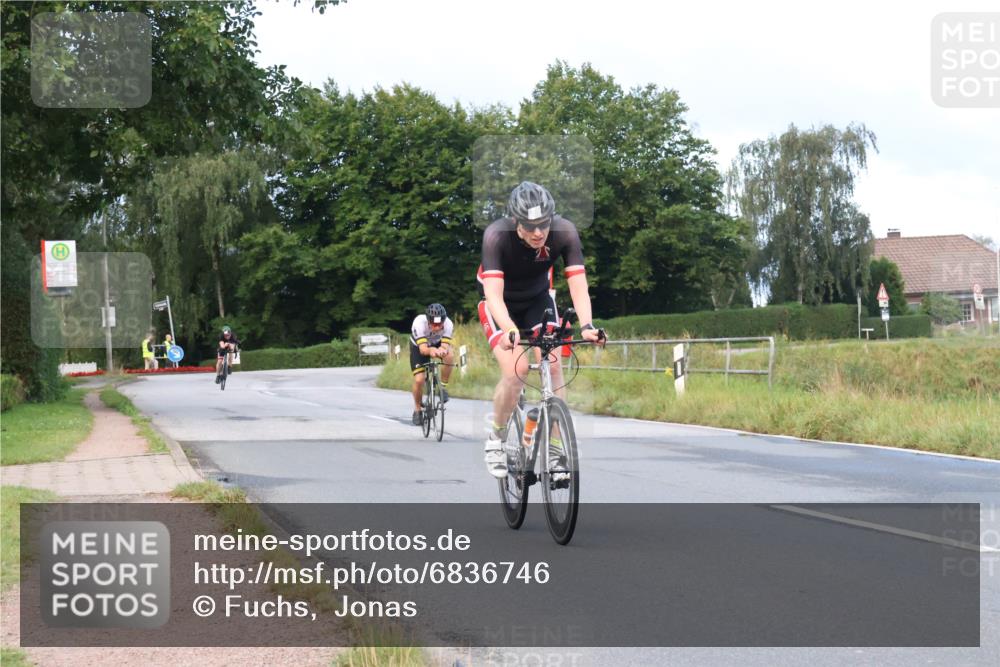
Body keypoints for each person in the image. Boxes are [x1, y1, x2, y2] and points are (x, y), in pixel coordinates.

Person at [477, 181, 605, 478]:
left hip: (537, 299)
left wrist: (587, 325)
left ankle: (557, 450)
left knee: (556, 364)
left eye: (543, 224)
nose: (538, 232)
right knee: (516, 371)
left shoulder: (565, 232)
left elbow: (577, 284)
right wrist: (509, 328)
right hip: (500, 302)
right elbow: (494, 295)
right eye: (530, 226)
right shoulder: (496, 236)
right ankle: (496, 438)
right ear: (515, 222)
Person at [409, 303, 455, 425]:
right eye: (434, 324)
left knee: (450, 355)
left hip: (437, 343)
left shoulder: (449, 324)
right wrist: (432, 351)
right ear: (428, 321)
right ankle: (417, 409)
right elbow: (423, 349)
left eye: (440, 324)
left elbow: (445, 345)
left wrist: (443, 350)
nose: (437, 327)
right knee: (419, 380)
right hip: (419, 346)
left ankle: (442, 387)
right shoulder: (419, 323)